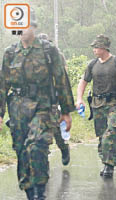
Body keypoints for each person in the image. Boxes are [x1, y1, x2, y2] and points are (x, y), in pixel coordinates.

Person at [0, 10, 75, 199]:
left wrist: (66, 111)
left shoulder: (49, 51)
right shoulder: (10, 53)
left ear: (33, 27)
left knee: (37, 146)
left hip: (42, 105)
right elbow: (2, 84)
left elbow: (61, 79)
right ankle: (29, 191)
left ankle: (40, 192)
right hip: (17, 108)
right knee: (21, 150)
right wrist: (1, 114)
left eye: (25, 26)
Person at [76, 34, 116, 178]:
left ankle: (109, 165)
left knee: (111, 132)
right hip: (97, 104)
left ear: (104, 48)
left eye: (96, 47)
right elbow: (83, 82)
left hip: (114, 103)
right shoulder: (92, 64)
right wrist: (79, 99)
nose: (94, 50)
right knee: (102, 136)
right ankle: (105, 161)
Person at [38, 33, 70, 166]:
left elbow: (63, 76)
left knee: (55, 128)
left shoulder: (57, 55)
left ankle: (63, 148)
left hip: (52, 96)